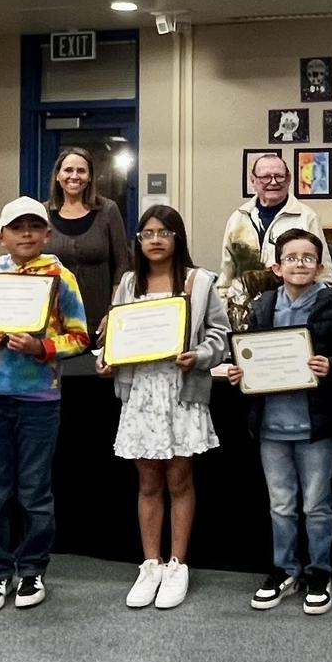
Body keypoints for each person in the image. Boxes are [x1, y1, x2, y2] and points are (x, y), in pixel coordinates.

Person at [0, 197, 90, 615]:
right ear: (1, 237)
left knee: (34, 491)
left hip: (39, 398)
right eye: (17, 228)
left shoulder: (60, 275)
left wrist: (42, 347)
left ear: (47, 233)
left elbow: (80, 337)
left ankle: (32, 568)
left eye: (35, 227)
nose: (27, 235)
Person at [99, 206, 229, 611]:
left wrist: (201, 355)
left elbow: (220, 336)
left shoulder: (200, 281)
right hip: (140, 392)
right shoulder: (127, 283)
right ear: (138, 240)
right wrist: (104, 359)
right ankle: (150, 563)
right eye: (147, 233)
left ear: (178, 238)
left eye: (165, 232)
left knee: (180, 481)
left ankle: (177, 564)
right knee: (148, 483)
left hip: (180, 390)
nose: (155, 240)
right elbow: (115, 334)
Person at [228, 230, 332, 615]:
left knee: (316, 504)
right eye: (291, 257)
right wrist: (240, 372)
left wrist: (330, 365)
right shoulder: (263, 306)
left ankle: (319, 571)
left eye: (308, 257)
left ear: (319, 265)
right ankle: (285, 569)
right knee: (280, 504)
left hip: (315, 424)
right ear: (276, 266)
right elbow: (248, 352)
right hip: (271, 426)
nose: (299, 264)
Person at [218, 153, 332, 329]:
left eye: (279, 176)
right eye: (265, 177)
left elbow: (324, 275)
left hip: (290, 314)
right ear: (253, 180)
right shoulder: (238, 218)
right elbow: (226, 277)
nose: (273, 182)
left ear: (288, 179)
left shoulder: (306, 217)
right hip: (242, 316)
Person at [43, 148, 132, 329]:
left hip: (100, 320)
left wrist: (113, 312)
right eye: (68, 170)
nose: (74, 176)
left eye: (81, 171)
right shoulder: (42, 213)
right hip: (55, 321)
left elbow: (122, 265)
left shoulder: (108, 210)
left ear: (90, 177)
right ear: (57, 176)